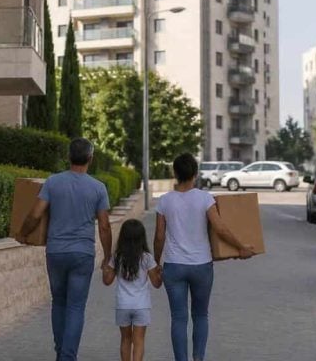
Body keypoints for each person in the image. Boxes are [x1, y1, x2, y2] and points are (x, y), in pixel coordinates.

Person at [154, 153, 255, 361]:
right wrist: (241, 247)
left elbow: (159, 236)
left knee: (178, 319)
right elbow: (220, 229)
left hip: (174, 266)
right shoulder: (205, 198)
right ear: (195, 174)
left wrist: (156, 263)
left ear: (175, 173)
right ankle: (198, 358)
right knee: (200, 315)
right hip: (201, 266)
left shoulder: (164, 201)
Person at [18, 138, 112, 361]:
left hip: (56, 252)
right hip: (83, 254)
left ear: (69, 157)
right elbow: (105, 226)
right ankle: (67, 357)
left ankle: (61, 352)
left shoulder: (53, 182)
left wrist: (23, 234)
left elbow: (35, 214)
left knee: (59, 302)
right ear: (90, 158)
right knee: (76, 307)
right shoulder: (98, 187)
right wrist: (108, 257)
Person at [102, 218, 163, 361]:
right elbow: (156, 283)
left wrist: (106, 268)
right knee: (139, 341)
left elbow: (107, 281)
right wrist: (161, 274)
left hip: (122, 305)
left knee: (125, 340)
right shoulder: (147, 258)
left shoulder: (117, 257)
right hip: (141, 305)